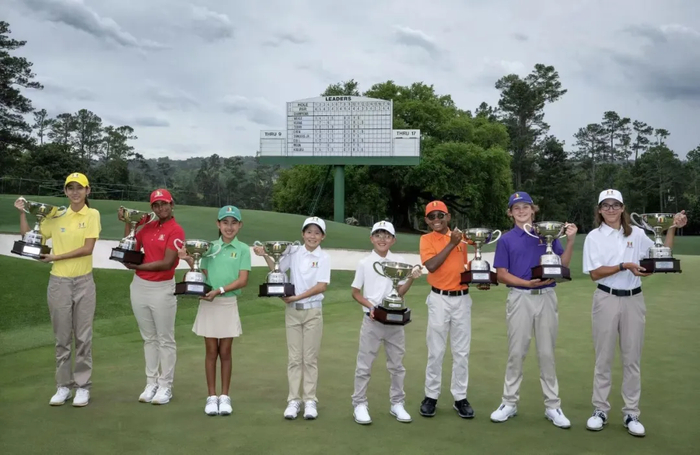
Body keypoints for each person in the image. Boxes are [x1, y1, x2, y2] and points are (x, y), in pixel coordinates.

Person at [582, 189, 687, 437]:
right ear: (599, 210)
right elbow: (595, 273)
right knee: (603, 359)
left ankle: (631, 413)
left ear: (622, 208)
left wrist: (671, 227)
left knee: (632, 360)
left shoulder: (637, 233)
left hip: (634, 299)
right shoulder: (594, 237)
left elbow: (660, 254)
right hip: (606, 298)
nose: (610, 209)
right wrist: (623, 266)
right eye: (605, 205)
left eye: (615, 205)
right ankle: (600, 410)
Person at [489, 191, 577, 428]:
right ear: (510, 213)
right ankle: (509, 402)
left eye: (525, 207)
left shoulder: (546, 235)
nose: (521, 211)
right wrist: (526, 283)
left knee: (546, 353)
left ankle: (553, 406)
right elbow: (501, 274)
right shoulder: (506, 239)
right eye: (516, 208)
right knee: (516, 352)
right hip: (520, 298)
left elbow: (563, 265)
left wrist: (570, 241)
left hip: (547, 297)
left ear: (533, 209)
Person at [14, 172, 101, 407]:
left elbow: (88, 248)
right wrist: (22, 213)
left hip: (84, 282)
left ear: (87, 190)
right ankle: (63, 386)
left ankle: (82, 387)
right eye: (70, 188)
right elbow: (29, 236)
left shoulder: (92, 214)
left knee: (83, 338)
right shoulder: (56, 215)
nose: (75, 192)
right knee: (62, 338)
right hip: (59, 283)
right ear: (65, 191)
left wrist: (55, 257)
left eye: (79, 188)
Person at [254, 216, 331, 420]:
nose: (312, 236)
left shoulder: (324, 257)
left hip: (313, 311)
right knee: (295, 358)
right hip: (293, 312)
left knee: (310, 359)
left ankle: (310, 400)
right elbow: (277, 269)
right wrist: (265, 255)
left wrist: (297, 296)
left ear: (322, 237)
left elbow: (322, 286)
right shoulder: (294, 252)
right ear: (302, 234)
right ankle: (294, 400)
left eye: (317, 233)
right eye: (309, 232)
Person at [177, 205, 250, 416]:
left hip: (227, 303)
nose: (229, 227)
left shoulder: (243, 249)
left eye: (233, 223)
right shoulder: (210, 248)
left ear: (240, 225)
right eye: (225, 222)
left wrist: (220, 290)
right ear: (218, 224)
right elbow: (203, 274)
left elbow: (243, 280)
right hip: (209, 304)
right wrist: (189, 259)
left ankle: (225, 396)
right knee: (211, 351)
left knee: (225, 352)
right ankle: (211, 396)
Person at [350, 221, 422, 425]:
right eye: (378, 235)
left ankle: (397, 403)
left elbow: (399, 293)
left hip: (395, 322)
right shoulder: (365, 263)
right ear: (371, 238)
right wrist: (371, 307)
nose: (382, 239)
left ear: (393, 240)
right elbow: (355, 292)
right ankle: (359, 404)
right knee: (364, 365)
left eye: (387, 236)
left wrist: (411, 278)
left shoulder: (399, 261)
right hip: (372, 320)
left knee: (397, 365)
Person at [120, 188, 185, 405]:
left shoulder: (176, 230)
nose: (161, 208)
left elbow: (167, 263)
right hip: (139, 287)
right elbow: (130, 247)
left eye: (164, 203)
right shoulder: (147, 228)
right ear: (152, 208)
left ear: (171, 204)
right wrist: (129, 223)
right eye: (156, 205)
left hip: (162, 288)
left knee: (165, 339)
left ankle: (165, 385)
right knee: (149, 338)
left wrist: (138, 266)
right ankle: (151, 382)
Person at [418, 200, 475, 419]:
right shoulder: (426, 239)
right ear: (427, 220)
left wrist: (479, 277)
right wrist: (452, 244)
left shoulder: (462, 238)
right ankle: (431, 396)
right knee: (436, 350)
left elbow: (463, 267)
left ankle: (460, 397)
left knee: (461, 351)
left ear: (448, 217)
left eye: (440, 215)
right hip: (439, 298)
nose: (436, 220)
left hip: (462, 298)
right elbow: (431, 266)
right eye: (432, 217)